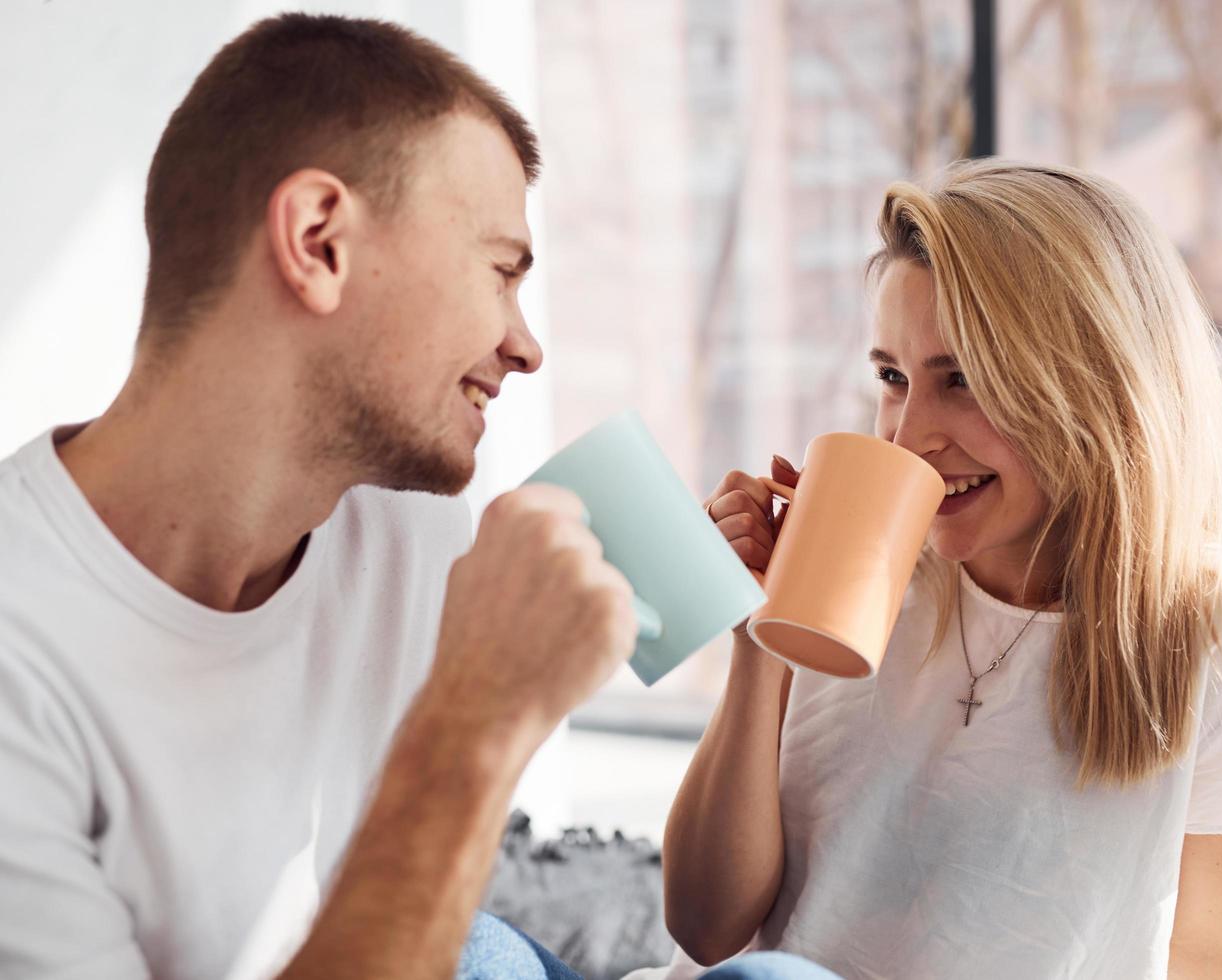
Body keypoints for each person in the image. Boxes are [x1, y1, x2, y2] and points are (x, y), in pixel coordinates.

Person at [0, 14, 831, 980]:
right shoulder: (25, 670)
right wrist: (471, 728)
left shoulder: (399, 527)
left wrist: (722, 597)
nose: (527, 345)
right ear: (319, 243)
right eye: (500, 272)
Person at [663, 160, 1222, 979]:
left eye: (966, 381)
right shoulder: (857, 573)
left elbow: (1212, 950)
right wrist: (758, 641)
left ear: (1097, 386)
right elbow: (705, 932)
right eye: (892, 378)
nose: (910, 435)